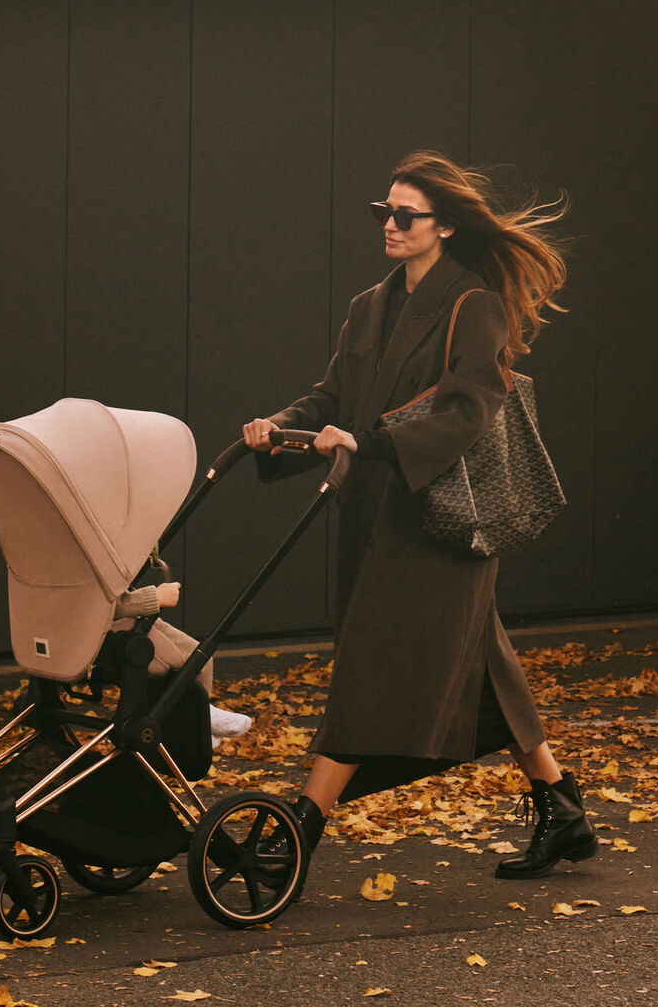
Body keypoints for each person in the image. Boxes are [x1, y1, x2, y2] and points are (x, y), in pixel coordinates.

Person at [242, 150, 592, 881]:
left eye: (407, 216)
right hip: (377, 515)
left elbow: (469, 410)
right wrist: (281, 428)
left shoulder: (474, 304)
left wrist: (368, 443)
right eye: (385, 213)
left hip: (439, 522)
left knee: (368, 665)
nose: (391, 226)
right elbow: (333, 399)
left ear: (445, 228)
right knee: (485, 667)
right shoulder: (369, 306)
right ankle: (563, 808)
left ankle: (303, 828)